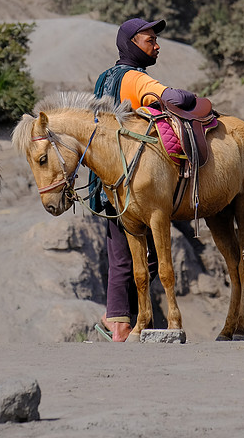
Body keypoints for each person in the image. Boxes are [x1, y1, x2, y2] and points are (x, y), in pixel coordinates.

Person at [91, 17, 198, 342]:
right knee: (133, 256)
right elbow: (173, 97)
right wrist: (183, 96)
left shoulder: (104, 77)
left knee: (121, 255)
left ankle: (122, 318)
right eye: (149, 40)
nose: (157, 45)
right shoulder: (136, 79)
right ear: (131, 44)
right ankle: (120, 325)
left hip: (108, 181)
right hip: (137, 181)